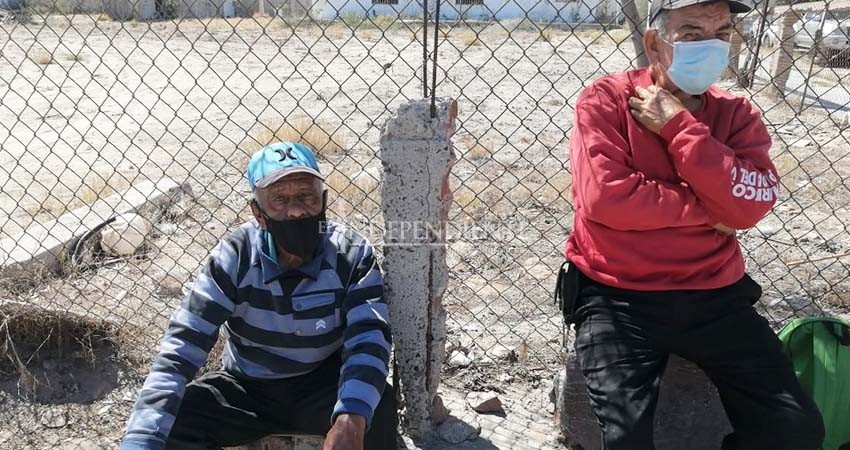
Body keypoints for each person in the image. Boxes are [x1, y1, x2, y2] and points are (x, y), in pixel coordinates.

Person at [563, 0, 825, 449]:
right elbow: (607, 199)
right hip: (617, 294)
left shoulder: (736, 115)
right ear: (654, 43)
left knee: (795, 429)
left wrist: (679, 126)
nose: (711, 44)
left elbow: (753, 204)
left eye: (722, 31)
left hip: (714, 295)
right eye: (691, 31)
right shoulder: (606, 100)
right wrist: (714, 209)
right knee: (625, 439)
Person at [120, 142, 397, 450]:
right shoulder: (234, 257)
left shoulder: (351, 254)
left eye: (306, 195)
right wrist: (140, 440)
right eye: (279, 200)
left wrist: (351, 416)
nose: (295, 210)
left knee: (377, 409)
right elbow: (182, 347)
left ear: (324, 200)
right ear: (258, 213)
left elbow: (369, 338)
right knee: (175, 420)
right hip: (248, 387)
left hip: (321, 385)